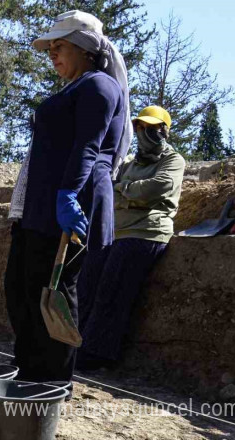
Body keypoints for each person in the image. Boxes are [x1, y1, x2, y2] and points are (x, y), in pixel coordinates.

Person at [5, 10, 131, 384]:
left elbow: (88, 147)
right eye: (49, 48)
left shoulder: (99, 86)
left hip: (68, 205)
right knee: (21, 289)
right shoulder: (75, 87)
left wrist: (68, 196)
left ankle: (53, 382)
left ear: (85, 47)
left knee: (54, 292)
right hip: (40, 206)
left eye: (59, 46)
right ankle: (28, 372)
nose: (51, 54)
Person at [76, 106, 185, 371]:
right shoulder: (130, 163)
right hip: (117, 231)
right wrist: (129, 194)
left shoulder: (173, 160)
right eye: (139, 127)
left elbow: (157, 187)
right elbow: (111, 191)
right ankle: (72, 343)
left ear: (163, 131)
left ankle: (96, 354)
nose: (143, 132)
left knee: (112, 289)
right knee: (87, 282)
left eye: (150, 128)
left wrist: (124, 190)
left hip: (147, 232)